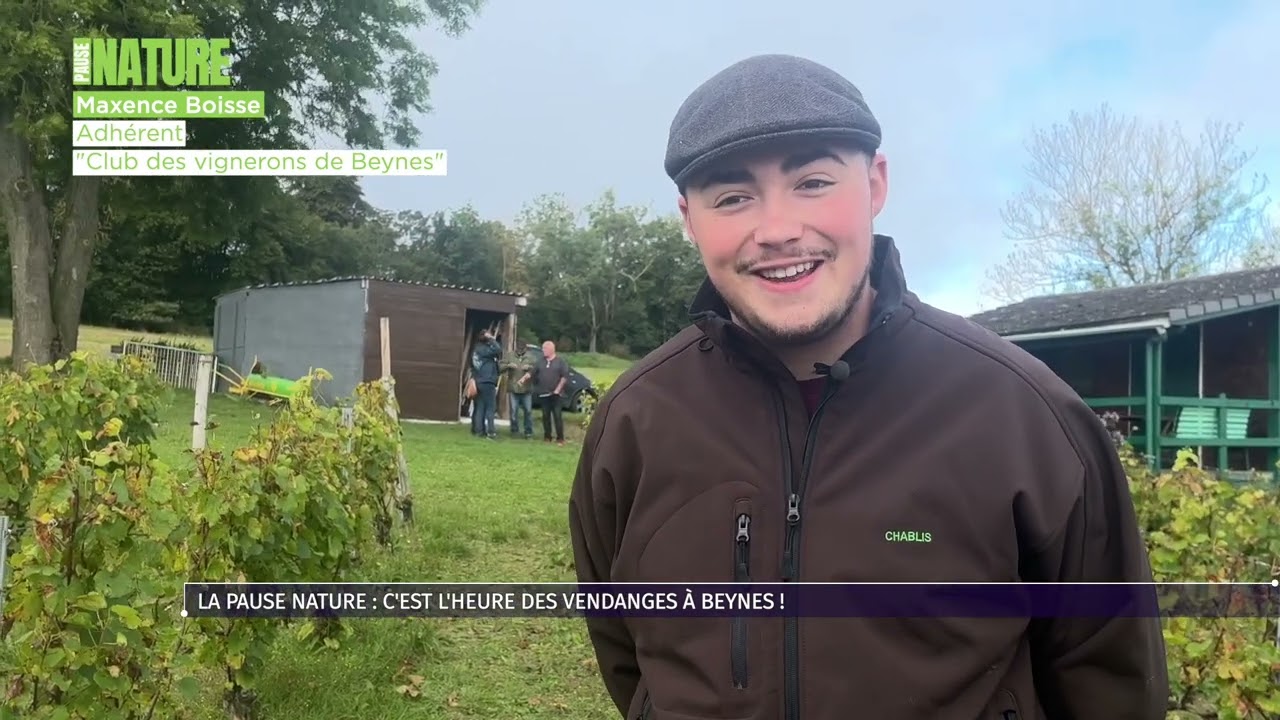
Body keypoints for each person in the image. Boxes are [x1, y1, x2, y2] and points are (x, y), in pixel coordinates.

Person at [568, 54, 1168, 720]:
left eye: (813, 181)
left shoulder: (1026, 415)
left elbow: (1110, 680)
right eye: (732, 197)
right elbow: (626, 655)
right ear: (688, 217)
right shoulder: (635, 422)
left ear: (875, 184)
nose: (777, 230)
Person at [524, 340, 569, 446]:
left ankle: (560, 438)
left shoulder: (560, 362)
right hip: (544, 394)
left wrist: (558, 389)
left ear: (551, 349)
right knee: (545, 416)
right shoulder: (540, 362)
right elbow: (532, 372)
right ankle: (547, 437)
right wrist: (524, 378)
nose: (543, 351)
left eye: (545, 349)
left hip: (556, 395)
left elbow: (564, 377)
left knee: (557, 416)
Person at [470, 330, 501, 439]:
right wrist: (492, 338)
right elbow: (498, 349)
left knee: (480, 407)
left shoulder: (476, 350)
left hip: (478, 381)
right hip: (488, 381)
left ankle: (479, 431)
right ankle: (491, 432)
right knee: (490, 408)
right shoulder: (486, 350)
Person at [501, 343, 536, 439]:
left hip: (527, 388)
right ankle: (514, 430)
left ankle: (528, 432)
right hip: (513, 388)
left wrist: (529, 368)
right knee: (513, 411)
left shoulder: (531, 357)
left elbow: (537, 370)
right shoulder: (510, 355)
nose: (520, 351)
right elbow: (500, 367)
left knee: (528, 411)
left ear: (525, 348)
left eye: (522, 349)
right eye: (518, 349)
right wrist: (508, 365)